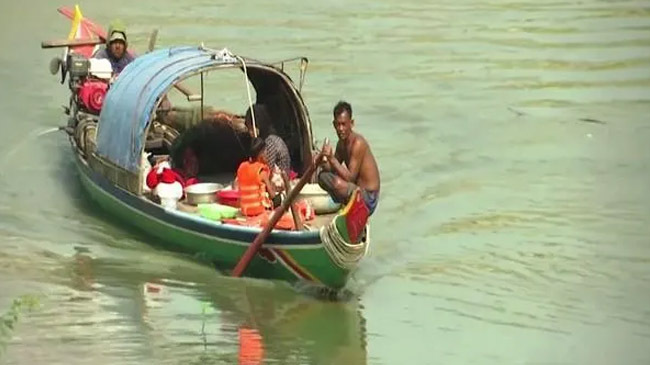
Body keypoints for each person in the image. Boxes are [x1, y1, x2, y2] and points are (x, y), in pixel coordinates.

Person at [317, 101, 380, 215]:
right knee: (323, 177)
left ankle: (349, 208)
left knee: (337, 183)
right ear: (334, 125)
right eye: (338, 125)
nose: (341, 129)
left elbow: (350, 177)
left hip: (369, 197)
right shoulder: (341, 144)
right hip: (355, 191)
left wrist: (331, 158)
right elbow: (332, 169)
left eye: (344, 124)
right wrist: (321, 159)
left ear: (351, 123)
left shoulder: (358, 143)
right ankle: (346, 205)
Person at [236, 137, 281, 216]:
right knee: (278, 199)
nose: (267, 155)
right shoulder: (261, 171)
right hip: (258, 211)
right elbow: (272, 195)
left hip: (245, 210)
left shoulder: (242, 167)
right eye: (266, 152)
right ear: (261, 154)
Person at [244, 104, 291, 174]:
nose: (250, 132)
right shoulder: (267, 138)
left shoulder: (270, 142)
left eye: (251, 128)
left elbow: (266, 168)